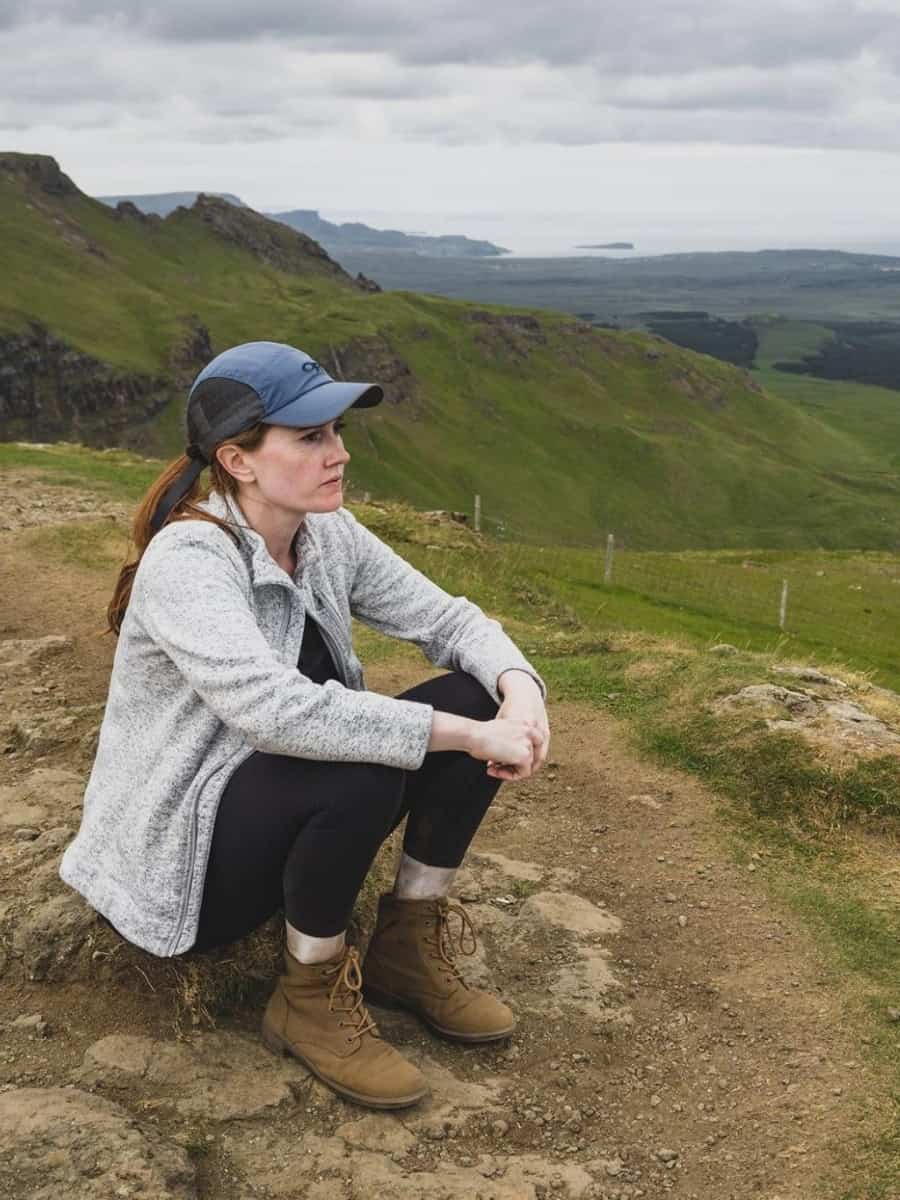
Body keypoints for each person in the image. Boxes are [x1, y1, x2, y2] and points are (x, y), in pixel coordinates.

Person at [60, 340, 550, 1110]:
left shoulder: (326, 534)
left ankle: (405, 946)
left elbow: (450, 619)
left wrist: (519, 693)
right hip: (185, 860)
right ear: (239, 459)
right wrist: (464, 738)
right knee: (362, 748)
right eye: (312, 436)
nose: (339, 454)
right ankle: (309, 997)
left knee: (471, 696)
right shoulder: (190, 559)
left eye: (337, 433)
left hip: (273, 808)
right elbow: (275, 712)